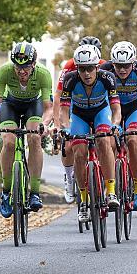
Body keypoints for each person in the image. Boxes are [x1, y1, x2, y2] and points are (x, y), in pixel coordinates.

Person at [0, 43, 53, 217]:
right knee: (8, 141)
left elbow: (48, 107)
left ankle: (35, 193)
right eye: (18, 67)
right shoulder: (5, 71)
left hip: (33, 105)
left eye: (26, 68)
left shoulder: (43, 74)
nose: (21, 72)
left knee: (34, 138)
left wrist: (44, 124)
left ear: (34, 65)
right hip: (11, 105)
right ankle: (6, 192)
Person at [58, 44, 122, 222]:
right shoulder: (70, 80)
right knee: (79, 152)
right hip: (79, 116)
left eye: (90, 69)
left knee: (103, 141)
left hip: (101, 112)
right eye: (82, 69)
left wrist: (115, 125)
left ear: (97, 67)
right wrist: (65, 128)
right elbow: (63, 111)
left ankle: (110, 192)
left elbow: (116, 108)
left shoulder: (107, 78)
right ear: (77, 68)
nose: (86, 73)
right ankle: (84, 201)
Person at [100, 41, 137, 211]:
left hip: (133, 108)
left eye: (126, 66)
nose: (122, 70)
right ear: (112, 63)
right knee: (109, 143)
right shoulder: (105, 70)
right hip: (111, 107)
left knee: (132, 139)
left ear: (133, 63)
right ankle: (111, 188)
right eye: (118, 66)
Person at [53, 36, 105, 204]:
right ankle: (69, 179)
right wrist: (57, 124)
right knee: (69, 146)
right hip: (76, 105)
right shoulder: (70, 66)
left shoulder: (104, 65)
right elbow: (59, 97)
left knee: (106, 141)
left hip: (98, 106)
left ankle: (102, 177)